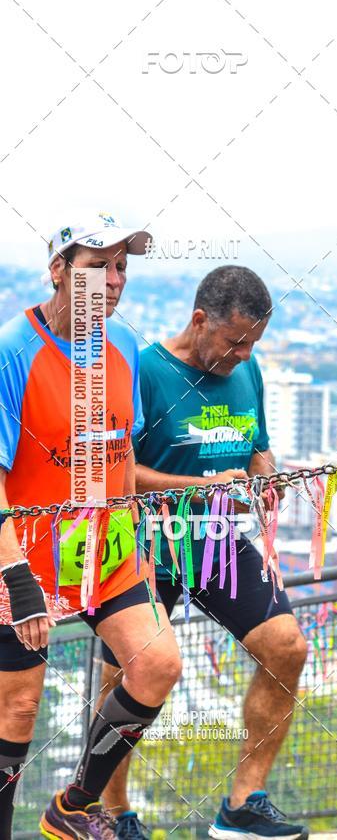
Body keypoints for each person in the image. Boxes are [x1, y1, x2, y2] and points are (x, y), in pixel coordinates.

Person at [98, 266, 309, 840]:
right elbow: (114, 473)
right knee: (128, 674)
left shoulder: (248, 368)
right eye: (235, 341)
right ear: (199, 321)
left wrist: (268, 477)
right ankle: (110, 815)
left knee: (287, 648)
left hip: (216, 538)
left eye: (253, 344)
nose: (243, 354)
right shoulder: (143, 369)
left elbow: (258, 447)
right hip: (144, 540)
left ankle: (243, 804)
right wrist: (192, 487)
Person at [0, 213, 182, 839]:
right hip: (23, 554)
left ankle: (72, 807)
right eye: (95, 265)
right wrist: (15, 574)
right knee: (17, 708)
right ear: (57, 271)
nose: (111, 280)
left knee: (157, 664)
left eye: (120, 267)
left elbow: (122, 451)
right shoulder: (11, 351)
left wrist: (135, 533)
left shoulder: (124, 346)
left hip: (104, 547)